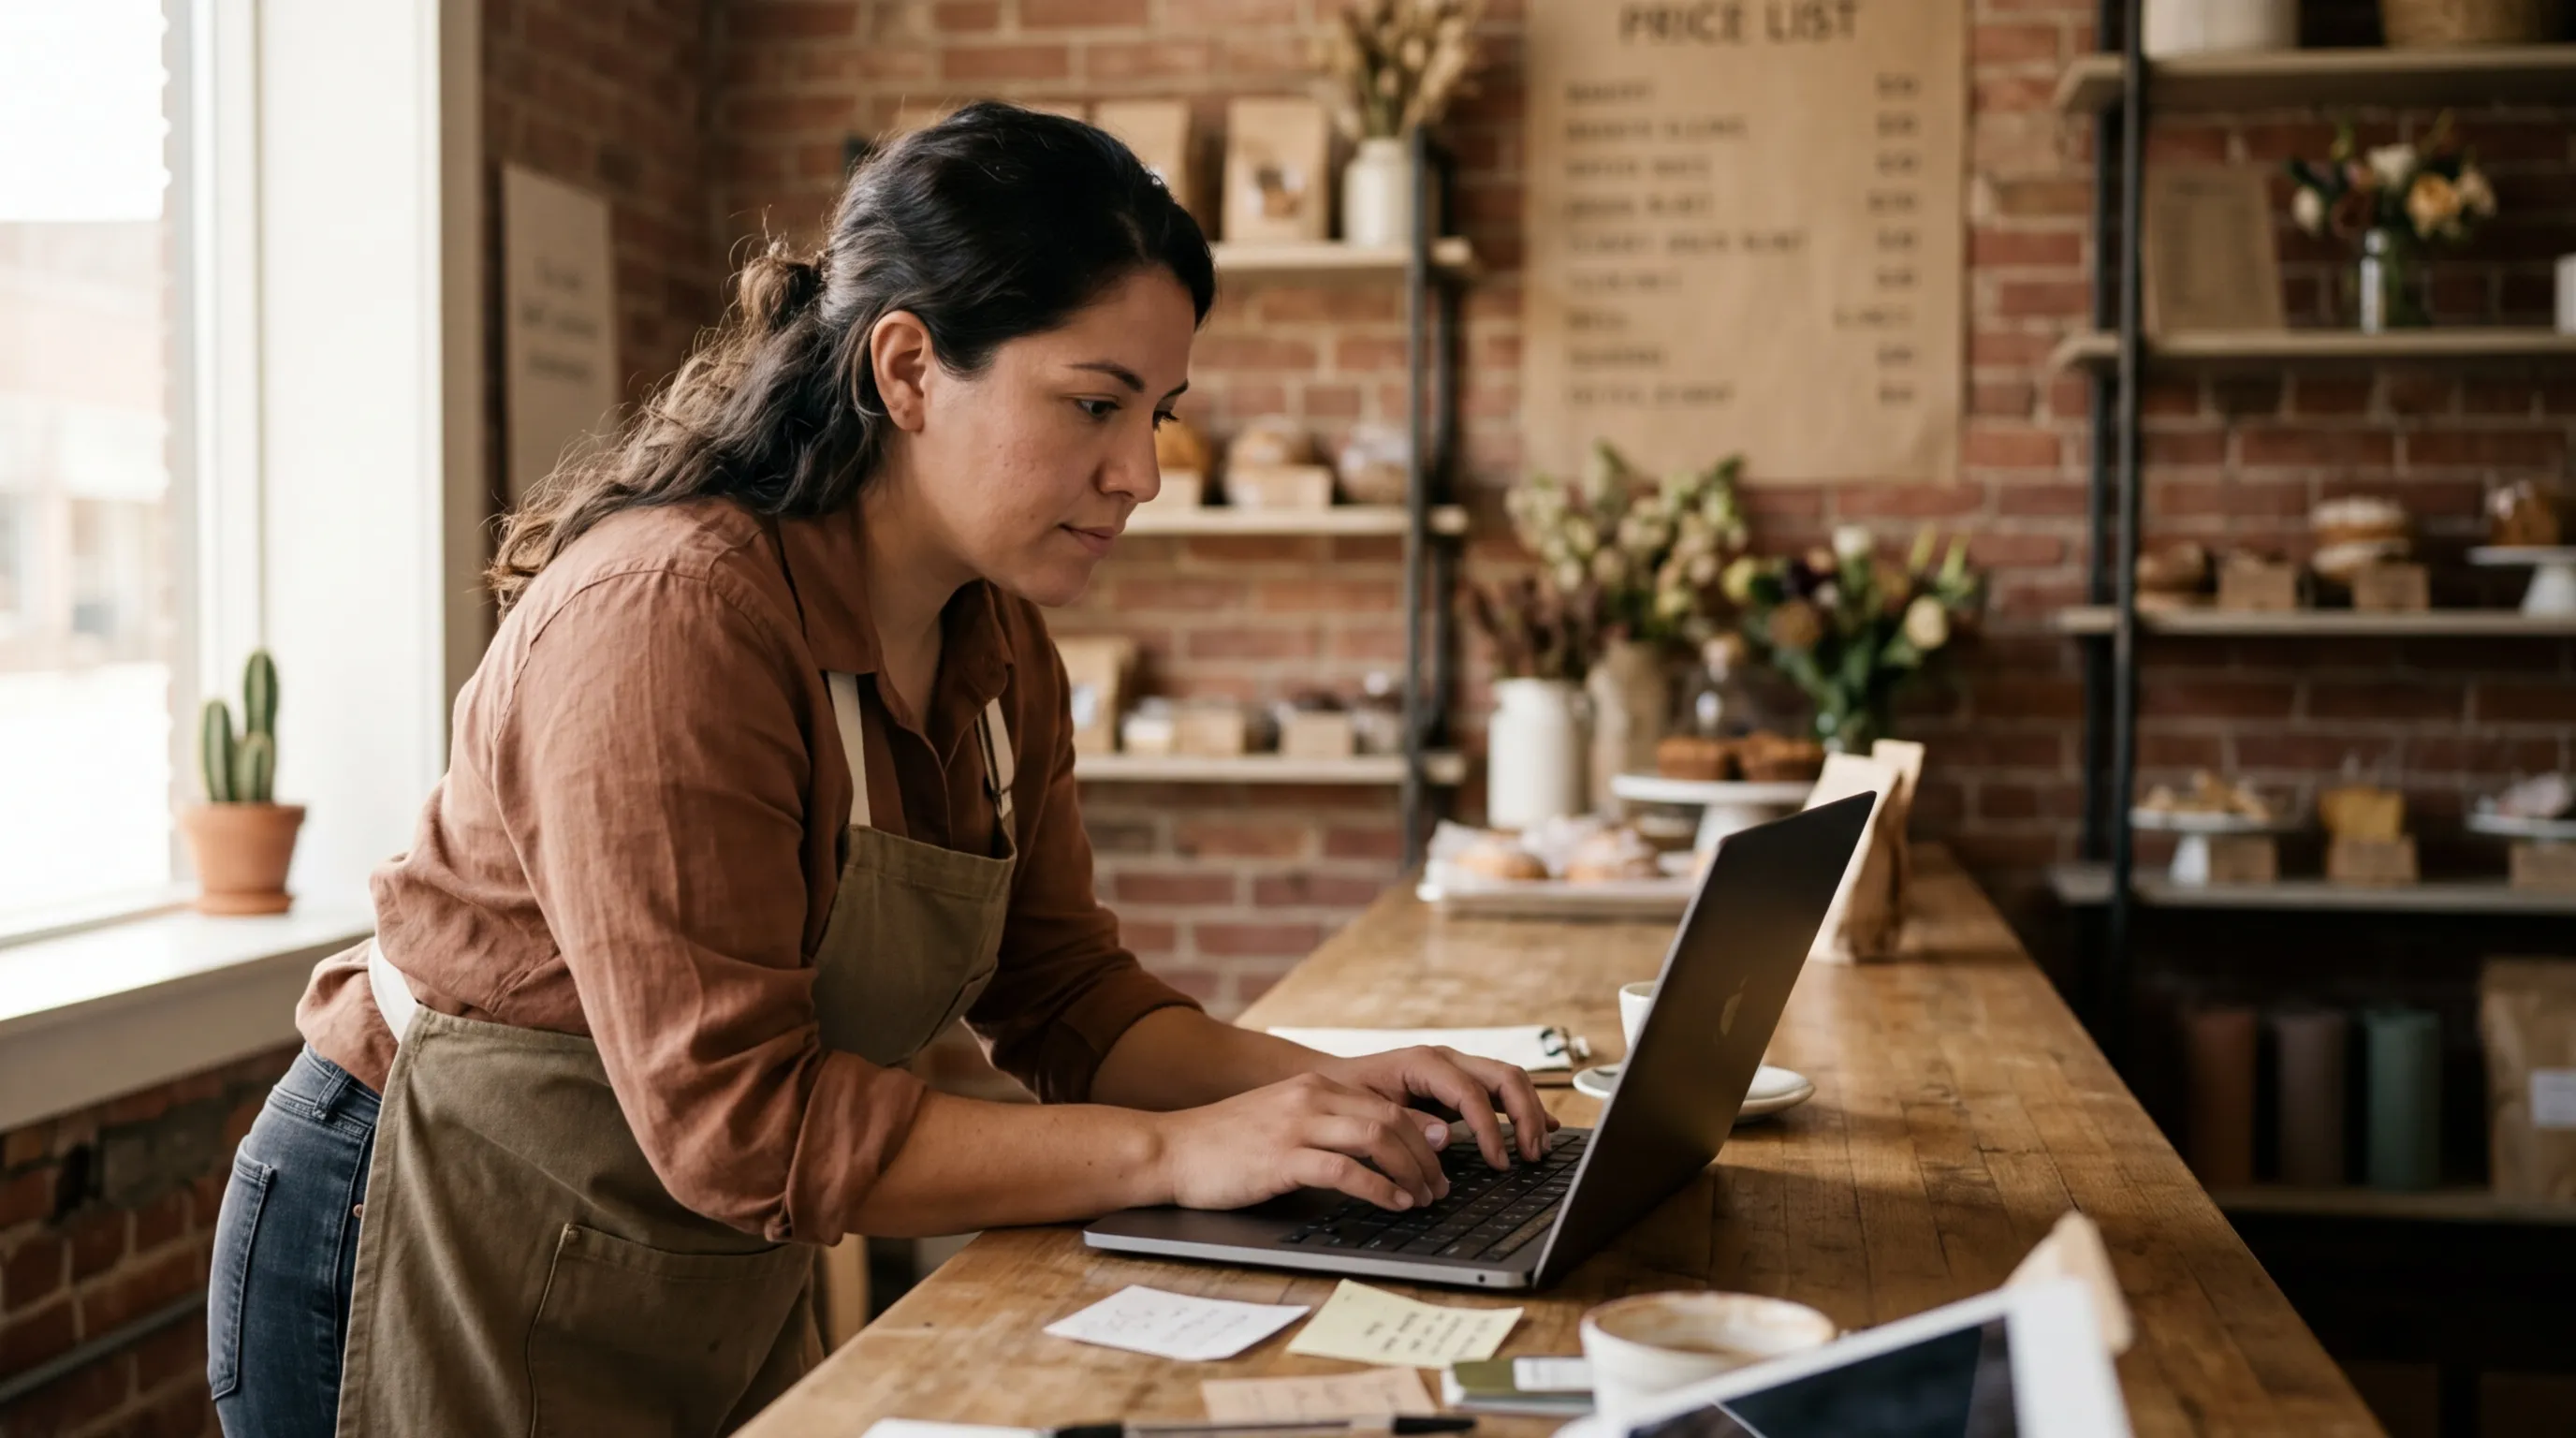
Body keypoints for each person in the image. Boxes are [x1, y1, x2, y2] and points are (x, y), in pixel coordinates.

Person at [206, 102, 1554, 1438]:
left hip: (694, 1267)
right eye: (1094, 404)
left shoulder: (999, 645)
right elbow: (743, 1124)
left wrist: (1337, 1094)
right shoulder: (671, 619)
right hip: (420, 1243)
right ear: (907, 369)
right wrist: (1183, 1150)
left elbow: (1070, 1002)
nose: (1140, 471)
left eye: (1159, 412)